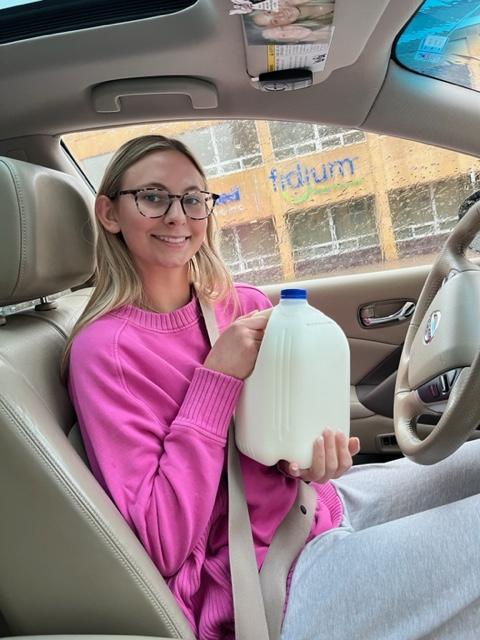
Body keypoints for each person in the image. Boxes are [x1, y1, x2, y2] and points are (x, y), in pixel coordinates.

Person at [65, 134, 480, 640]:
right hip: (262, 580)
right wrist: (216, 378)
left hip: (318, 506)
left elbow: (273, 445)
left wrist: (304, 460)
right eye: (153, 197)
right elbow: (161, 540)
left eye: (193, 199)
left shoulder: (239, 305)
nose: (177, 216)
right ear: (109, 213)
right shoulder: (104, 351)